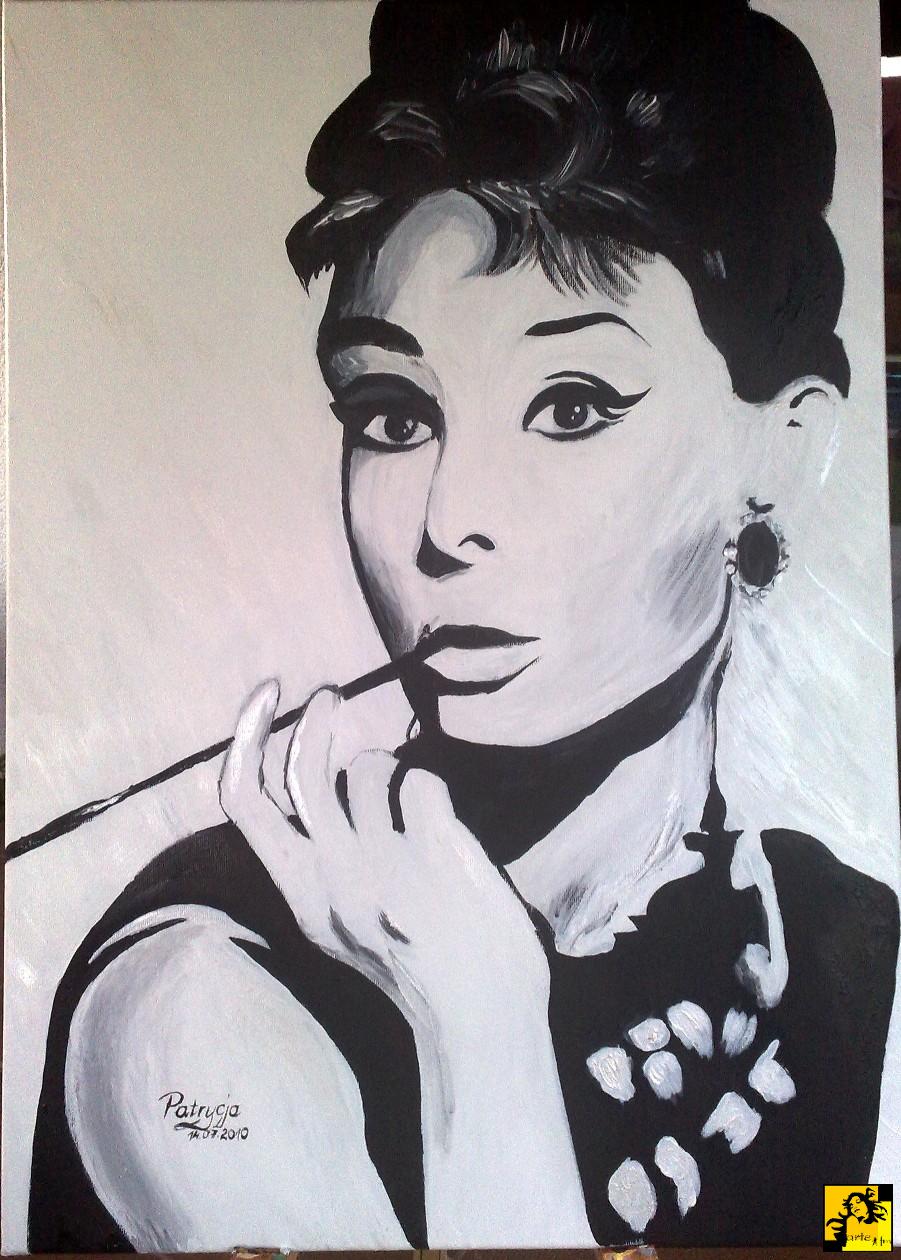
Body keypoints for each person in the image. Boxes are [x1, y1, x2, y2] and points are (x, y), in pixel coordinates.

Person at [29, 0, 899, 1251]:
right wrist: (475, 1022)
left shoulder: (850, 949)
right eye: (392, 414)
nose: (448, 522)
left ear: (782, 446)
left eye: (572, 405)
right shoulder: (196, 998)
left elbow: (861, 1235)